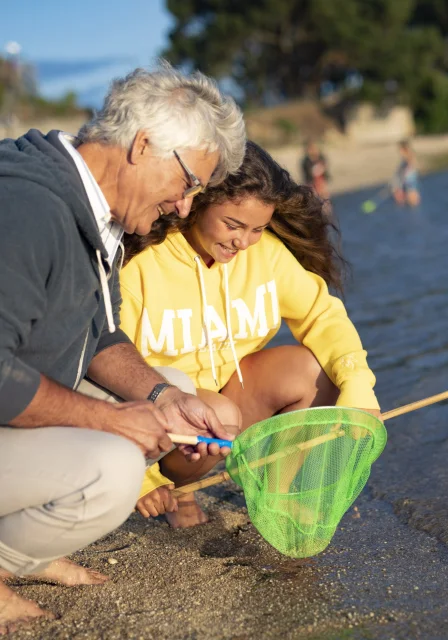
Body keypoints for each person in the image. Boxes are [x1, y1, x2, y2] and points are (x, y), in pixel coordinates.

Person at [0, 63, 246, 634]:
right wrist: (110, 421)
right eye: (188, 183)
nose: (186, 208)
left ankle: (22, 555)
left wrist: (159, 396)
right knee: (112, 468)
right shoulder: (27, 208)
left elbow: (101, 336)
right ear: (142, 145)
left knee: (176, 395)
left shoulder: (96, 212)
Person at [120, 141, 381, 529]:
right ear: (195, 203)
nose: (243, 242)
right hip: (165, 417)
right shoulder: (142, 265)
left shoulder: (267, 254)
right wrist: (143, 479)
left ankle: (273, 489)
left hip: (235, 396)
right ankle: (179, 489)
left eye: (257, 228)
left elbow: (322, 315)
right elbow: (114, 370)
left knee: (315, 370)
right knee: (217, 414)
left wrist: (359, 387)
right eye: (233, 225)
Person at [301, 139, 331, 204]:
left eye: (315, 148)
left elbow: (325, 166)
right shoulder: (306, 161)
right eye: (311, 149)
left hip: (321, 181)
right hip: (311, 182)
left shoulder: (321, 157)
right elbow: (309, 173)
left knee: (325, 198)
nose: (314, 150)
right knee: (314, 199)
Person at [392, 139, 421, 207]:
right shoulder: (406, 155)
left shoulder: (408, 154)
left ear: (403, 148)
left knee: (411, 192)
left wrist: (407, 169)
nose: (399, 151)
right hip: (408, 176)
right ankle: (411, 204)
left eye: (400, 149)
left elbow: (412, 162)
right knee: (409, 192)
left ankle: (415, 206)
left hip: (409, 176)